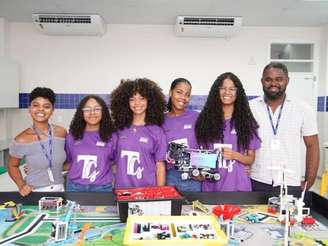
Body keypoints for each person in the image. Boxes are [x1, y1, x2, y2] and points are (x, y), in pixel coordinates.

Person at [249, 62, 320, 191]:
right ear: (262, 81)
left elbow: (312, 146)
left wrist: (310, 180)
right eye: (268, 79)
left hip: (290, 181)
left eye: (279, 79)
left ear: (287, 81)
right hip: (256, 179)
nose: (273, 84)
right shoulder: (250, 108)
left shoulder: (303, 109)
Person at [195, 72, 261, 191]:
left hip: (238, 186)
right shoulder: (205, 121)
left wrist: (235, 155)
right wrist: (200, 171)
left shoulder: (246, 122)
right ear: (217, 91)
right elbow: (201, 154)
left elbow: (250, 159)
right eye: (223, 88)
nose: (227, 92)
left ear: (238, 92)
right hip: (212, 186)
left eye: (232, 89)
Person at [8, 87, 66, 196]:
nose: (41, 109)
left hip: (60, 190)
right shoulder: (21, 139)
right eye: (36, 105)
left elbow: (67, 161)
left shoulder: (61, 133)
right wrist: (21, 185)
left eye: (46, 106)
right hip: (34, 192)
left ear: (52, 110)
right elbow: (12, 165)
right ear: (29, 108)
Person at [110, 78, 167, 188]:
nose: (137, 103)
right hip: (122, 191)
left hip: (147, 191)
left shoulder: (156, 131)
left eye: (142, 98)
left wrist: (159, 193)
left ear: (149, 101)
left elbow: (160, 165)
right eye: (132, 99)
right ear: (125, 102)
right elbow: (113, 162)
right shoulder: (118, 129)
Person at [65, 95, 116, 192]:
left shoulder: (112, 136)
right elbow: (67, 162)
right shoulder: (72, 136)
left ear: (103, 112)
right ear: (82, 112)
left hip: (103, 188)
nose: (92, 113)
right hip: (75, 187)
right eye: (87, 109)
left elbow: (116, 162)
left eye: (97, 109)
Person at [162, 78, 201, 192]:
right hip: (171, 176)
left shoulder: (196, 118)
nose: (183, 98)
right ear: (170, 92)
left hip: (193, 176)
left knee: (193, 209)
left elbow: (206, 145)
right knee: (172, 210)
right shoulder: (161, 120)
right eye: (179, 92)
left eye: (187, 94)